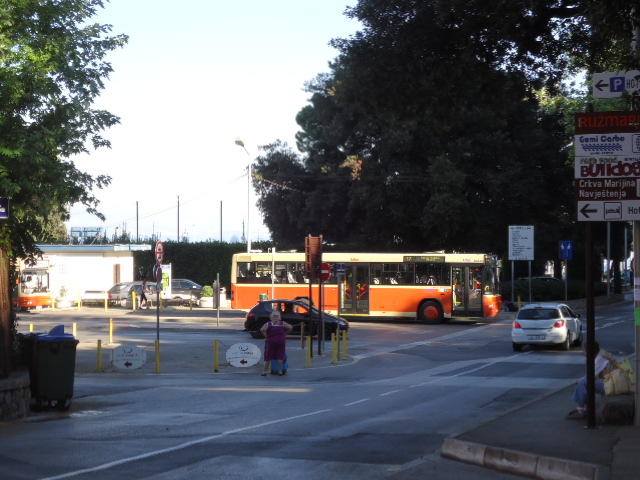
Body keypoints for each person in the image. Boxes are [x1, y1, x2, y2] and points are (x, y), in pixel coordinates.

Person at [566, 342, 612, 419]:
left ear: (589, 351)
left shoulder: (600, 358)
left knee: (583, 383)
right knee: (585, 383)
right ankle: (585, 408)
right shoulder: (600, 355)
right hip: (611, 382)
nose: (583, 353)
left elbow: (591, 376)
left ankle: (582, 410)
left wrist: (579, 380)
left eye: (584, 350)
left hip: (611, 384)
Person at [260, 310, 292, 376]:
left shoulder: (268, 324)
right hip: (280, 342)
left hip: (271, 342)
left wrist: (266, 336)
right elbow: (290, 327)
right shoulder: (282, 323)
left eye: (276, 316)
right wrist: (285, 333)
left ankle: (265, 371)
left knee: (268, 357)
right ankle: (280, 371)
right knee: (280, 356)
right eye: (275, 316)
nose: (275, 317)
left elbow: (262, 330)